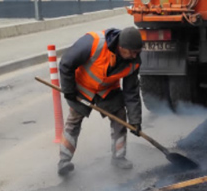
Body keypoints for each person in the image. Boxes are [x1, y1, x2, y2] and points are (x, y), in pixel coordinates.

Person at [58, 27, 143, 176]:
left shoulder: (133, 62)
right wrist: (69, 90)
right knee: (73, 122)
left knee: (120, 118)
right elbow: (66, 63)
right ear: (121, 47)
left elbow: (131, 92)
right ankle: (64, 161)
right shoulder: (94, 42)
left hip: (107, 90)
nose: (134, 56)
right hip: (81, 88)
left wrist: (135, 120)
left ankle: (119, 157)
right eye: (132, 52)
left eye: (137, 52)